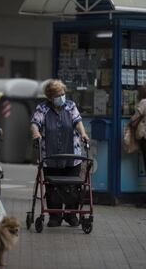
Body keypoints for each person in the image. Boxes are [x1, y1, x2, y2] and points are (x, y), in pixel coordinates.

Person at [30, 79, 90, 227]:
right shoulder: (43, 108)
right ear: (50, 97)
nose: (62, 97)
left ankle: (71, 215)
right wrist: (36, 134)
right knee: (53, 187)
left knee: (72, 186)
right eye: (58, 95)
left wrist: (83, 133)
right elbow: (34, 123)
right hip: (51, 157)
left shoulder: (70, 106)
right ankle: (55, 217)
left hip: (71, 155)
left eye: (63, 93)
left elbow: (77, 121)